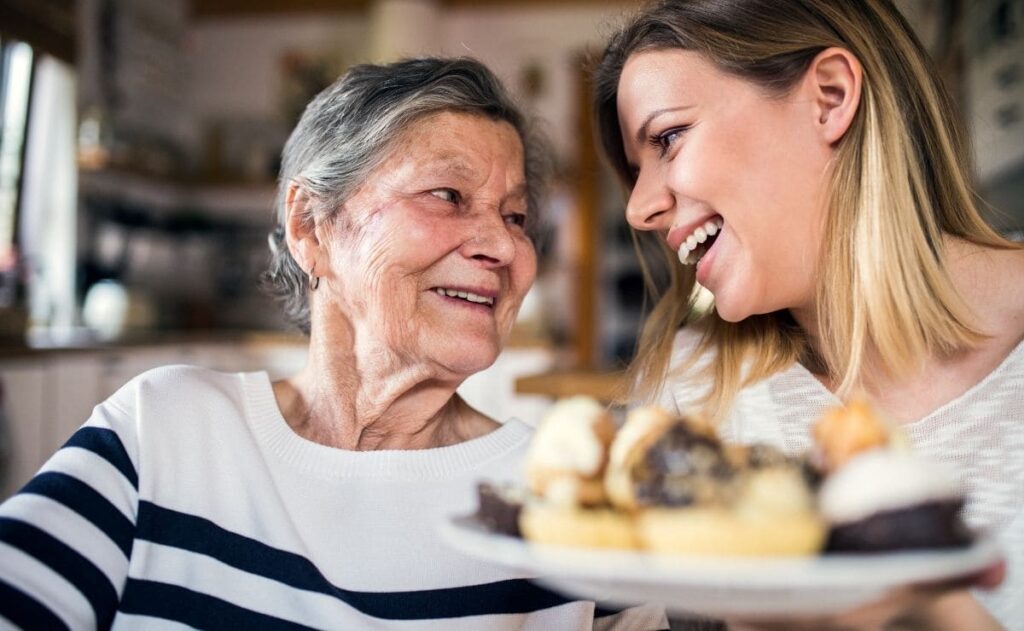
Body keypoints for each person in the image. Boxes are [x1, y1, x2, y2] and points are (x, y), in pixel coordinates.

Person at [0, 57, 667, 630]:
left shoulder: (560, 494)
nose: (502, 245)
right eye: (448, 194)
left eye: (516, 215)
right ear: (311, 226)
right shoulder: (166, 431)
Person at [593, 0, 1023, 628]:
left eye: (668, 137)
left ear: (829, 96)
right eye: (636, 170)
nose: (638, 209)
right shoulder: (688, 400)